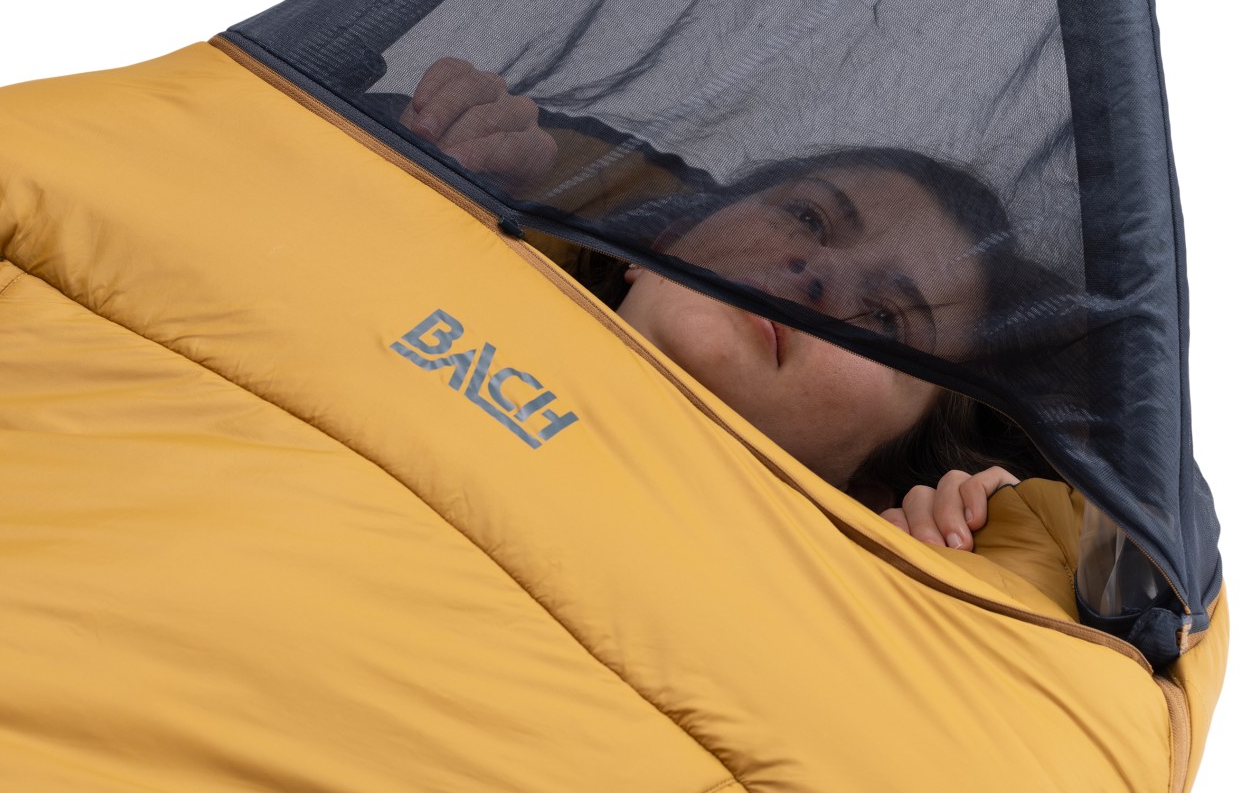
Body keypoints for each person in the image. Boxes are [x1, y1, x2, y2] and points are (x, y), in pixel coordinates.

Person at [398, 55, 1052, 553]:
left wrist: (1003, 559)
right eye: (808, 217)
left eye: (886, 318)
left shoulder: (843, 624)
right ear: (665, 242)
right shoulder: (425, 254)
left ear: (869, 483)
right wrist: (426, 181)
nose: (820, 274)